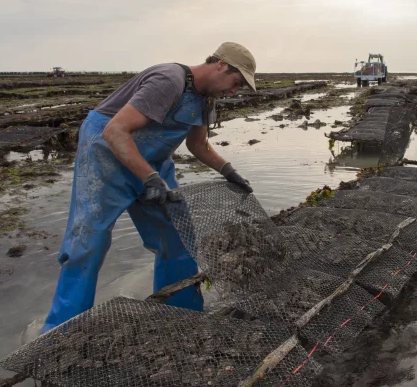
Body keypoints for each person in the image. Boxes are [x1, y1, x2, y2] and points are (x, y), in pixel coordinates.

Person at [41, 42, 256, 333]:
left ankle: (181, 317)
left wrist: (228, 171)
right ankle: (61, 332)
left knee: (178, 237)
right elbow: (114, 130)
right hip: (106, 156)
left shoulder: (206, 99)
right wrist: (149, 178)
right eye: (236, 82)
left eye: (240, 87)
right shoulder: (169, 81)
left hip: (152, 163)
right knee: (88, 243)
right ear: (220, 65)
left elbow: (197, 144)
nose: (235, 91)